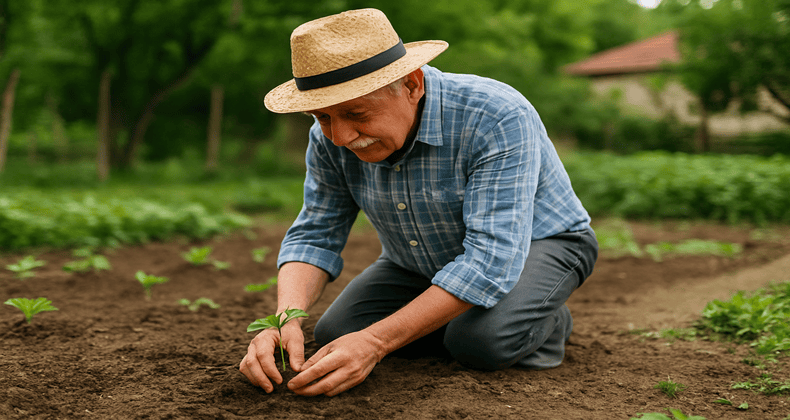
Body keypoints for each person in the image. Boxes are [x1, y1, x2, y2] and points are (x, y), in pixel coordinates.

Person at [239, 8, 598, 397]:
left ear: (411, 84)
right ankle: (459, 316)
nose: (340, 136)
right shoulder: (329, 137)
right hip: (417, 259)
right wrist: (284, 321)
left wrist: (377, 341)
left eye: (356, 113)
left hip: (539, 244)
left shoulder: (495, 115)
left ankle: (539, 317)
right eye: (322, 117)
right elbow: (315, 233)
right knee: (337, 332)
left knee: (480, 342)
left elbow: (491, 258)